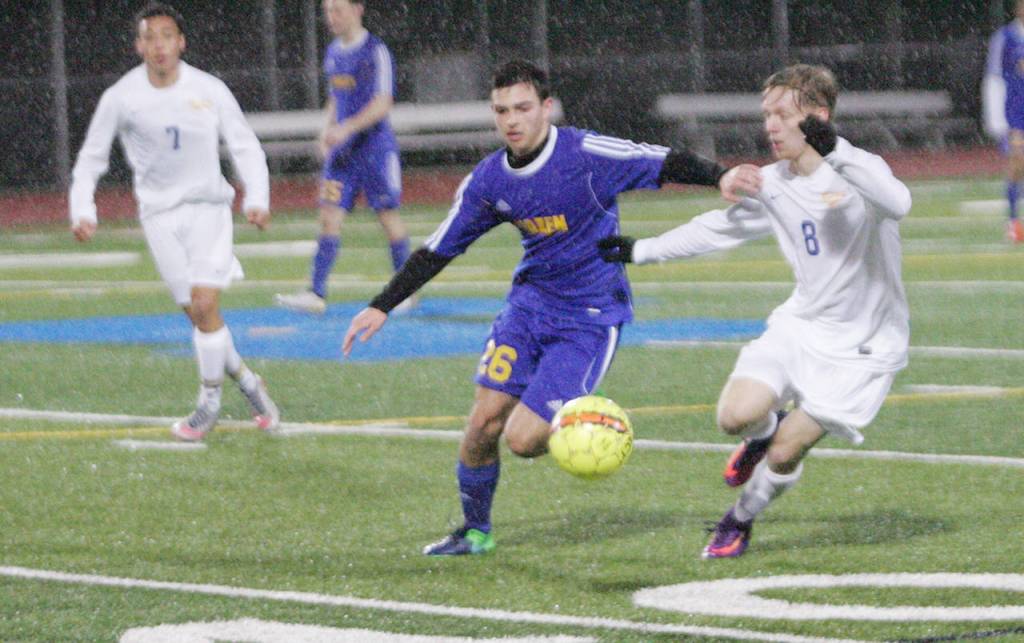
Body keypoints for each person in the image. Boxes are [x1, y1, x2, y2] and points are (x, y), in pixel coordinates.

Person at [343, 59, 762, 556]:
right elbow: (439, 248)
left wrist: (720, 176)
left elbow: (662, 159)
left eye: (522, 108)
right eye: (501, 111)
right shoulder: (489, 180)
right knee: (481, 424)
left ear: (546, 108)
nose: (512, 120)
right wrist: (382, 305)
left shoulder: (585, 153)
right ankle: (474, 531)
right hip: (528, 308)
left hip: (589, 319)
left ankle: (588, 406)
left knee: (523, 441)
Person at [599, 64, 911, 559]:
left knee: (789, 450)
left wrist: (839, 150)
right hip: (801, 325)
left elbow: (898, 202)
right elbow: (716, 229)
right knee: (734, 416)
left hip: (864, 347)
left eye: (782, 114)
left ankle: (739, 519)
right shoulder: (771, 182)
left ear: (818, 118)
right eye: (766, 114)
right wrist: (642, 250)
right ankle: (760, 435)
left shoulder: (858, 171)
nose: (769, 125)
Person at [69, 2, 280, 442]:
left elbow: (244, 146)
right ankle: (246, 380)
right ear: (138, 46)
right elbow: (91, 157)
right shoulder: (122, 97)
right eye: (150, 37)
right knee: (202, 318)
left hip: (208, 210)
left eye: (167, 36)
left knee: (204, 306)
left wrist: (257, 197)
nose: (159, 45)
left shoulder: (210, 88)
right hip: (159, 218)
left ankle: (208, 404)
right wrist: (83, 209)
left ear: (181, 42)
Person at [275, 0, 412, 314]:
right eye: (327, 11)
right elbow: (336, 98)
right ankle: (316, 293)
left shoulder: (375, 51)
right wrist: (325, 130)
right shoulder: (334, 52)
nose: (331, 17)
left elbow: (383, 102)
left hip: (374, 150)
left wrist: (347, 128)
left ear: (357, 9)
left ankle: (405, 291)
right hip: (343, 154)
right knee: (328, 216)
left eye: (337, 9)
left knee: (388, 218)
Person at [983, 0, 1024, 243]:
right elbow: (994, 76)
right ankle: (1013, 222)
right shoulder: (1006, 37)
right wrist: (996, 119)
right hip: (1015, 115)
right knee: (1017, 164)